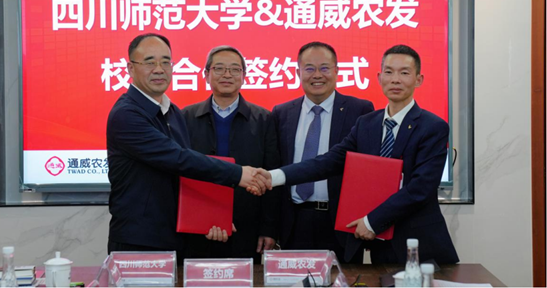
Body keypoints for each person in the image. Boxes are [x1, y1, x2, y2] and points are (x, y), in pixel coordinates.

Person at [256, 44, 459, 264]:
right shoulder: (367, 123)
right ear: (379, 78)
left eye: (404, 73)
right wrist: (273, 176)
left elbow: (420, 189)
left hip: (415, 242)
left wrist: (372, 221)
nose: (395, 80)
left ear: (418, 80)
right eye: (389, 72)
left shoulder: (433, 127)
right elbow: (329, 161)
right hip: (379, 245)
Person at [107, 33, 267, 255]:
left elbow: (188, 176)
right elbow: (178, 159)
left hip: (173, 237)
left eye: (165, 62)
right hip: (139, 239)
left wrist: (211, 216)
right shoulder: (126, 115)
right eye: (150, 62)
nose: (159, 69)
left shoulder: (172, 112)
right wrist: (239, 173)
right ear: (130, 68)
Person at [271, 42, 374, 258]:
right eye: (309, 68)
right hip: (293, 222)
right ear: (298, 72)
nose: (317, 75)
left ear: (337, 71)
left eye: (325, 68)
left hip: (341, 223)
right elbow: (275, 165)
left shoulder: (360, 110)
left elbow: (367, 170)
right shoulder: (281, 113)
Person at [182, 45, 281, 260]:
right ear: (206, 74)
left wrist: (269, 228)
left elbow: (272, 175)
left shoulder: (264, 119)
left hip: (248, 226)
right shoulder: (186, 118)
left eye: (235, 69)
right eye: (219, 68)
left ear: (244, 76)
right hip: (197, 224)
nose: (227, 75)